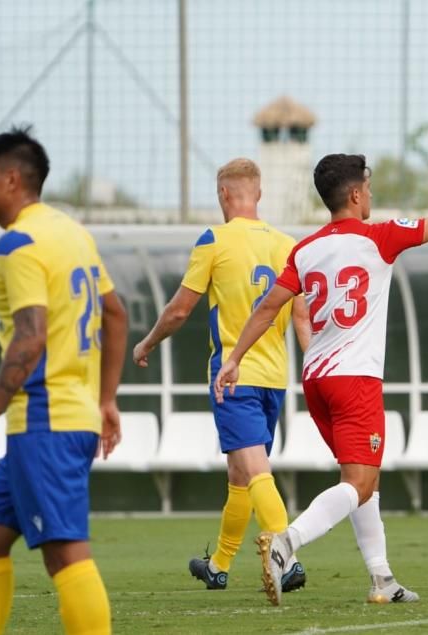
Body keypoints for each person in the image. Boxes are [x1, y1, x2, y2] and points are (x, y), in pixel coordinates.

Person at [213, 148, 428, 606]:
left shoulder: (305, 249)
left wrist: (234, 358)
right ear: (355, 194)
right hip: (355, 381)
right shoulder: (380, 238)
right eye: (368, 187)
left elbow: (269, 306)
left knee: (361, 480)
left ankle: (382, 579)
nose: (371, 193)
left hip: (317, 380)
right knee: (361, 483)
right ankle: (285, 543)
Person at [0, 127, 127, 634]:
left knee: (64, 552)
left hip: (45, 418)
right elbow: (115, 313)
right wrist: (105, 400)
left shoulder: (19, 243)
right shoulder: (70, 232)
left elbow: (30, 336)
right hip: (69, 414)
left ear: (12, 179)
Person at [132, 158, 309, 593]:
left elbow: (179, 309)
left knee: (256, 470)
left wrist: (147, 343)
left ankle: (288, 559)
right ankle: (219, 565)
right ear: (259, 194)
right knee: (240, 474)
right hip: (273, 377)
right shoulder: (289, 245)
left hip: (234, 375)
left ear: (223, 195)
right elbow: (302, 317)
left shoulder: (214, 239)